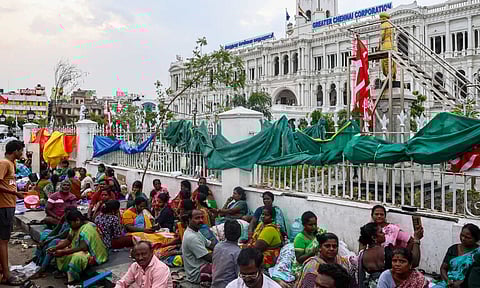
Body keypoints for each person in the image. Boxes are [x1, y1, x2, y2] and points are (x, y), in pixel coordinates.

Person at [48, 210, 108, 285]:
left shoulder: (88, 228)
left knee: (77, 257)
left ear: (77, 220)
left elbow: (83, 247)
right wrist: (55, 248)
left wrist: (63, 252)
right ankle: (66, 272)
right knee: (60, 249)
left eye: (70, 223)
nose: (69, 225)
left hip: (94, 254)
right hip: (81, 249)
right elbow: (68, 240)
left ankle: (73, 279)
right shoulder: (75, 226)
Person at [357, 222, 423, 288]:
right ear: (374, 237)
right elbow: (414, 262)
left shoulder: (362, 255)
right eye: (381, 232)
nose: (384, 234)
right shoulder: (387, 251)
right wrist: (416, 240)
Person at [0, 140, 25, 286]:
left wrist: (16, 193)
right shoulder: (4, 163)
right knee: (3, 241)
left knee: (4, 240)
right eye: (20, 150)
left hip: (8, 205)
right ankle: (7, 275)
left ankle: (3, 270)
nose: (21, 153)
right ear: (15, 150)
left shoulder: (11, 164)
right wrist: (15, 194)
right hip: (4, 206)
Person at [32, 207, 77, 277]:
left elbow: (61, 235)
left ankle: (43, 267)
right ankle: (37, 257)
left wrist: (47, 240)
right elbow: (56, 230)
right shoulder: (64, 218)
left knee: (52, 242)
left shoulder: (72, 223)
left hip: (64, 239)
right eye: (65, 213)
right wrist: (45, 239)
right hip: (58, 236)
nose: (65, 215)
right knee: (45, 233)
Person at [434, 223, 480, 288]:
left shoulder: (478, 253)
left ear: (476, 239)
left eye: (467, 237)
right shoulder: (453, 249)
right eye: (462, 235)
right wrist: (448, 281)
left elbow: (476, 274)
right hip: (448, 283)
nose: (463, 238)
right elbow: (443, 268)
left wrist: (461, 283)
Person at [182, 209, 216, 285]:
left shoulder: (196, 231)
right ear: (189, 219)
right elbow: (209, 258)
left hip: (201, 267)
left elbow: (210, 245)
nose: (201, 220)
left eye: (202, 217)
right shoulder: (192, 237)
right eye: (197, 218)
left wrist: (223, 248)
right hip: (197, 274)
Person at [212, 220, 242, 288]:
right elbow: (240, 276)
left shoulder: (218, 246)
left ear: (224, 233)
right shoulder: (238, 252)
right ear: (240, 234)